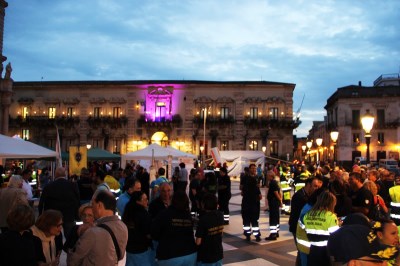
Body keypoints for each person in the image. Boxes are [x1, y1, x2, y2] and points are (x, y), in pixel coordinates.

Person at [67, 191, 128, 266]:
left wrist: (79, 235)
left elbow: (72, 261)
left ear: (99, 205)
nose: (92, 208)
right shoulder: (123, 226)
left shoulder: (92, 232)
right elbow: (120, 256)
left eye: (92, 205)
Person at [151, 190, 197, 265]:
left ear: (172, 200)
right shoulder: (188, 216)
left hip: (169, 256)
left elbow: (154, 234)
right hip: (190, 254)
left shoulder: (164, 214)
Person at [38, 166, 80, 237]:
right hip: (69, 215)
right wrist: (77, 215)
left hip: (53, 216)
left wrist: (41, 215)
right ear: (65, 174)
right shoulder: (73, 185)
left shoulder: (49, 186)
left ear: (55, 174)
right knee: (70, 236)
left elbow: (42, 202)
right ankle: (68, 248)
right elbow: (77, 200)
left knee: (53, 237)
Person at [303, 191, 339, 266]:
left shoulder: (308, 214)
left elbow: (305, 228)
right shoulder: (330, 216)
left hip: (312, 249)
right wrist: (338, 223)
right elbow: (336, 235)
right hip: (325, 251)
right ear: (331, 203)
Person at [122, 191, 153, 265]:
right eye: (145, 199)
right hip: (141, 250)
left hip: (129, 250)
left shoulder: (127, 212)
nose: (147, 201)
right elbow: (148, 233)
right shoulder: (144, 214)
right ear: (138, 201)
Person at [196, 193, 224, 266]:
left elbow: (198, 242)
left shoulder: (203, 219)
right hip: (218, 253)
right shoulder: (221, 215)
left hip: (206, 257)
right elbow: (221, 234)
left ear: (204, 204)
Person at [241, 163, 262, 242]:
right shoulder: (247, 178)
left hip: (253, 201)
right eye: (252, 168)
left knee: (253, 219)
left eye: (255, 169)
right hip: (248, 201)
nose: (254, 170)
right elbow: (242, 188)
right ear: (249, 169)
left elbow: (242, 188)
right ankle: (249, 235)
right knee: (248, 219)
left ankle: (254, 235)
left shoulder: (256, 178)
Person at [265, 170, 282, 241]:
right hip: (275, 203)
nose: (266, 177)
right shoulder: (275, 182)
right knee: (276, 217)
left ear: (270, 176)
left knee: (272, 219)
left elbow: (276, 193)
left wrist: (280, 201)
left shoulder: (273, 183)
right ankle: (276, 232)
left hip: (273, 202)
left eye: (267, 175)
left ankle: (273, 234)